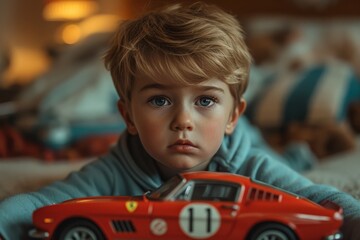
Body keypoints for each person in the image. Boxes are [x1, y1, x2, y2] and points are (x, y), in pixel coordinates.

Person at [0, 2, 359, 239]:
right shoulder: (116, 168)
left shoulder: (248, 165)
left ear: (232, 114)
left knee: (287, 164)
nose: (183, 120)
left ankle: (299, 146)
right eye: (159, 100)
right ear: (128, 116)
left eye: (205, 100)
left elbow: (319, 198)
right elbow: (40, 205)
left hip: (249, 140)